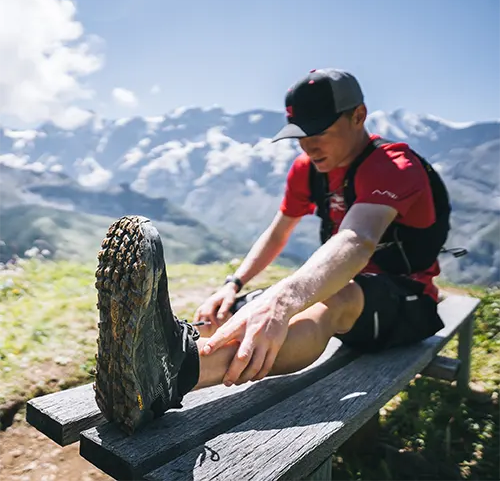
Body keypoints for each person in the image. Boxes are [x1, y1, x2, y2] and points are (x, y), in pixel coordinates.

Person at [93, 68, 448, 435]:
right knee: (246, 310)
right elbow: (278, 233)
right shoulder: (309, 170)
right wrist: (235, 284)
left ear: (358, 116)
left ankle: (173, 376)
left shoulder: (393, 166)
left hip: (409, 301)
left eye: (320, 131)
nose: (309, 146)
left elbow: (357, 241)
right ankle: (149, 358)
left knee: (329, 299)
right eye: (300, 135)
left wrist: (281, 300)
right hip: (350, 287)